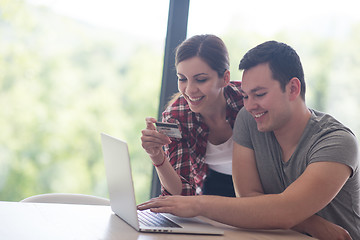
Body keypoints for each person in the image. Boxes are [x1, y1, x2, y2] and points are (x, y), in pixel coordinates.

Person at [138, 41, 360, 240]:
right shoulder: (249, 118)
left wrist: (197, 204)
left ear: (293, 88)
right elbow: (248, 199)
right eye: (245, 96)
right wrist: (307, 221)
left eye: (260, 94)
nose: (250, 104)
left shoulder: (337, 142)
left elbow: (285, 212)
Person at [141, 34, 243, 197]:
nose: (189, 90)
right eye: (182, 79)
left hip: (259, 186)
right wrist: (157, 156)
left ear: (225, 78)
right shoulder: (176, 117)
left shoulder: (247, 100)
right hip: (211, 189)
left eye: (201, 80)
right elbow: (182, 194)